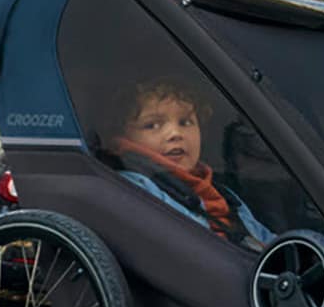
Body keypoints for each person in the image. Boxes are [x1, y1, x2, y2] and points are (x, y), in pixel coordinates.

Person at [103, 77, 271, 249]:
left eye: (185, 122)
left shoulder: (226, 197)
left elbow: (273, 244)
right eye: (152, 125)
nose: (175, 133)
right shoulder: (134, 188)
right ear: (123, 138)